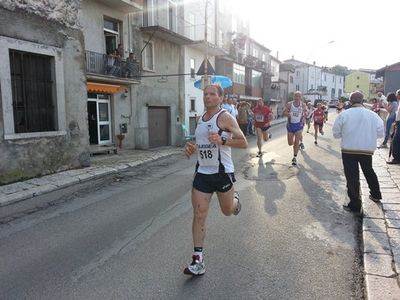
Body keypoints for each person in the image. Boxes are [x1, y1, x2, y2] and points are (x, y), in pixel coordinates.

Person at [183, 84, 248, 276]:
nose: (208, 97)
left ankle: (235, 201)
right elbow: (202, 143)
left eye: (212, 94)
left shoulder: (225, 117)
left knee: (228, 211)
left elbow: (243, 142)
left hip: (222, 173)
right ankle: (198, 260)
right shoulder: (199, 119)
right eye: (205, 94)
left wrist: (223, 141)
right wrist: (191, 147)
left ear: (220, 98)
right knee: (199, 214)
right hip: (203, 173)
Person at [332, 91, 384, 217]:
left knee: (352, 176)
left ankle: (355, 204)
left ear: (350, 101)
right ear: (362, 101)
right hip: (367, 149)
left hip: (349, 149)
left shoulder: (344, 114)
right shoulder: (373, 115)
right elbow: (380, 133)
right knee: (369, 171)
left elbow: (336, 133)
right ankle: (376, 194)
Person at [282, 91, 307, 165]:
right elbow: (283, 113)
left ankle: (294, 157)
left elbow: (306, 112)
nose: (297, 98)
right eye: (296, 96)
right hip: (290, 126)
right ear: (293, 97)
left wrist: (305, 113)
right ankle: (296, 146)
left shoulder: (303, 105)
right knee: (290, 143)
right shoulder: (289, 104)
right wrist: (288, 114)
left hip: (299, 126)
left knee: (296, 141)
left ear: (301, 97)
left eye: (299, 96)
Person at [387, 89, 400, 164]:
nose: (396, 96)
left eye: (397, 94)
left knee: (395, 141)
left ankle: (396, 158)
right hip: (398, 123)